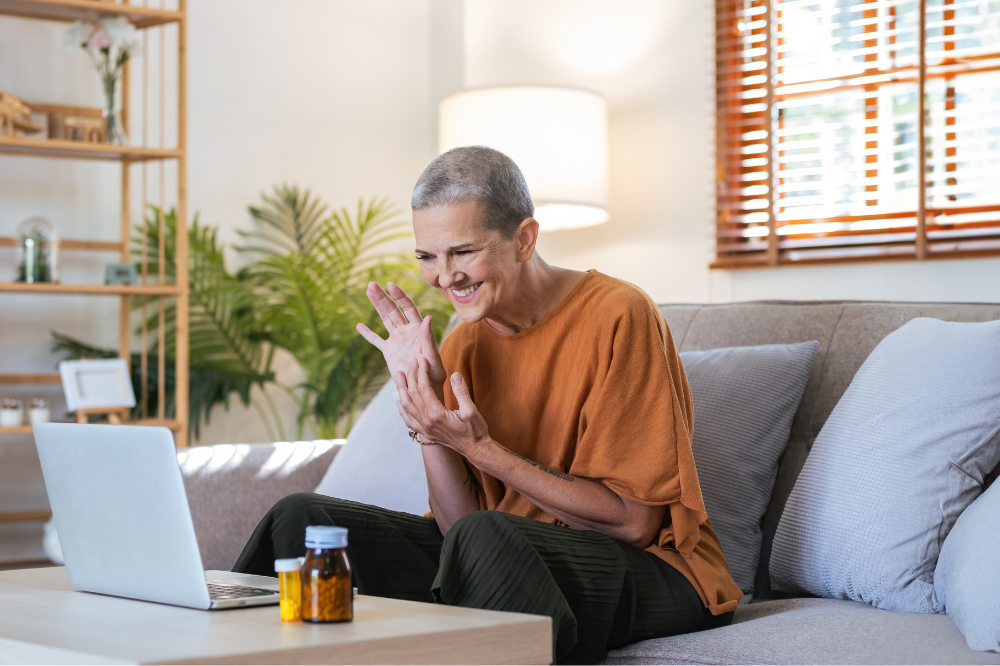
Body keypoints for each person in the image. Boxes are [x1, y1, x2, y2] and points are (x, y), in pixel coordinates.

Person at [233, 146, 742, 664]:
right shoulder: (462, 344)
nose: (444, 277)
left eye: (463, 252)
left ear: (524, 239)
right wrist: (428, 417)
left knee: (487, 535)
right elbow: (457, 531)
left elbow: (635, 523)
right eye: (427, 257)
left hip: (656, 568)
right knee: (301, 518)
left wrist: (482, 450)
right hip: (504, 558)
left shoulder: (619, 315)